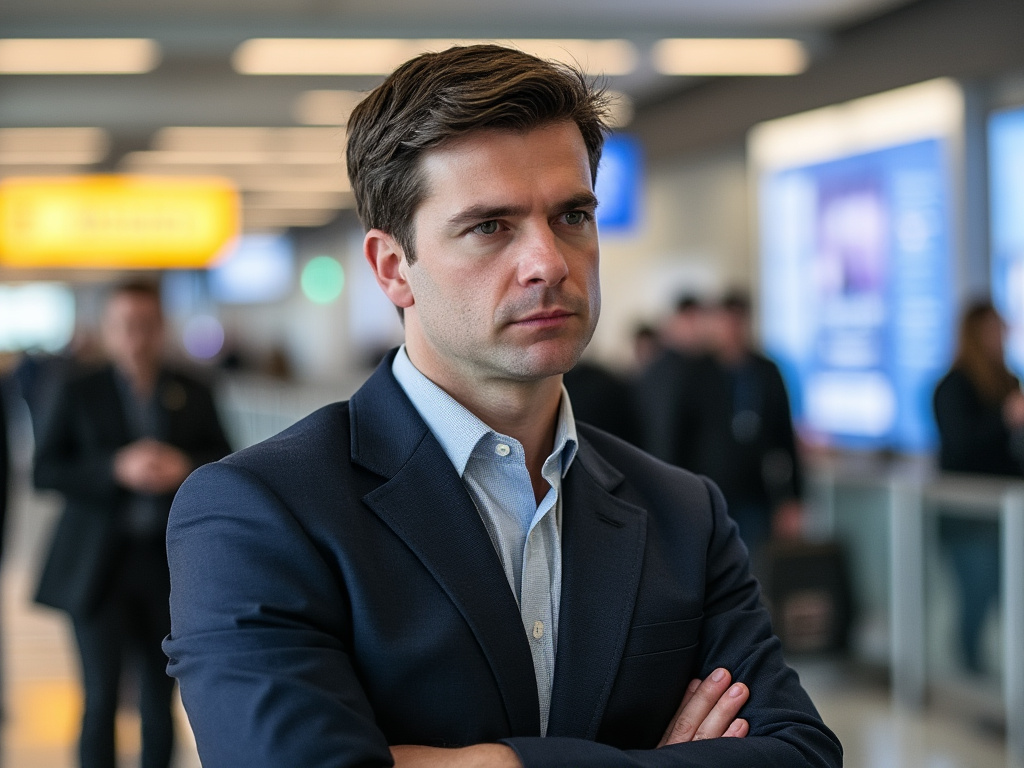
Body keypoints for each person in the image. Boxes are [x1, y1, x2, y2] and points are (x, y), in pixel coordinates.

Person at [164, 45, 841, 768]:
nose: (548, 262)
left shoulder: (684, 515)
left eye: (572, 215)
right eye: (490, 226)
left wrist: (490, 762)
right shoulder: (258, 512)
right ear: (393, 268)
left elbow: (800, 755)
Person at [33, 281, 231, 768]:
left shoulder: (193, 390)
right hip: (98, 566)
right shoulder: (79, 389)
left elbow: (226, 461)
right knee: (100, 694)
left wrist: (184, 466)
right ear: (107, 330)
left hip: (166, 567)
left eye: (146, 325)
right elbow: (46, 469)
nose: (136, 338)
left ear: (161, 328)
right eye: (125, 326)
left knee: (160, 696)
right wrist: (113, 468)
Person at [933, 300, 1024, 673]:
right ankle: (969, 676)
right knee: (977, 596)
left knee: (1010, 597)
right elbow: (960, 449)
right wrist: (1004, 418)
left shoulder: (1009, 381)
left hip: (1007, 512)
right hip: (968, 516)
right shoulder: (952, 387)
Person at [686, 291, 804, 564]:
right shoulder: (698, 373)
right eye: (726, 322)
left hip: (756, 492)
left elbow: (785, 436)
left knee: (755, 566)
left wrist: (794, 497)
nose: (732, 330)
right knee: (712, 566)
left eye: (737, 322)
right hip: (709, 490)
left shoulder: (766, 372)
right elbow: (684, 435)